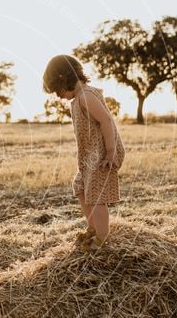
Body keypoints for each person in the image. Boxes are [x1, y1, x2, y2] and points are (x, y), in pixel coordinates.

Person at [42, 54, 125, 251]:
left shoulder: (86, 96)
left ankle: (102, 240)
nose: (57, 95)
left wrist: (111, 151)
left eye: (56, 90)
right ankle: (93, 228)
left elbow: (106, 121)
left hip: (104, 152)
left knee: (97, 196)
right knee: (79, 186)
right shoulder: (78, 98)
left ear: (63, 78)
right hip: (92, 155)